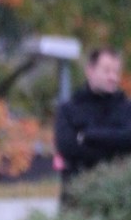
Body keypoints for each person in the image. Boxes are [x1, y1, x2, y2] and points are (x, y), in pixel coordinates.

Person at [54, 48, 131, 193]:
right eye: (107, 71)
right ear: (90, 70)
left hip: (121, 199)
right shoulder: (68, 110)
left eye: (116, 72)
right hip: (78, 196)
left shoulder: (127, 109)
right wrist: (116, 145)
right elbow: (67, 149)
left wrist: (88, 135)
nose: (113, 77)